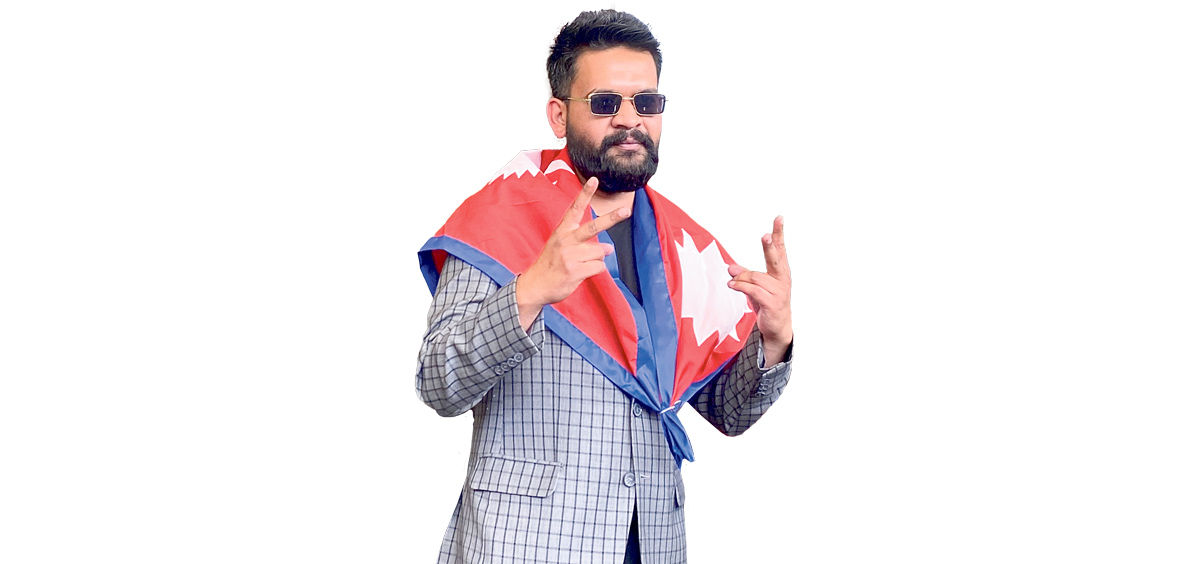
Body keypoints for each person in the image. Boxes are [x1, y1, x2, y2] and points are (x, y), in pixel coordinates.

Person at [416, 10, 793, 564]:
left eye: (646, 102)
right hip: (526, 545)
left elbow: (728, 413)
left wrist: (774, 340)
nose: (629, 119)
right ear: (558, 114)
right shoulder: (502, 221)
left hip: (654, 544)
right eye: (604, 102)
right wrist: (529, 291)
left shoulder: (682, 248)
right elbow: (438, 383)